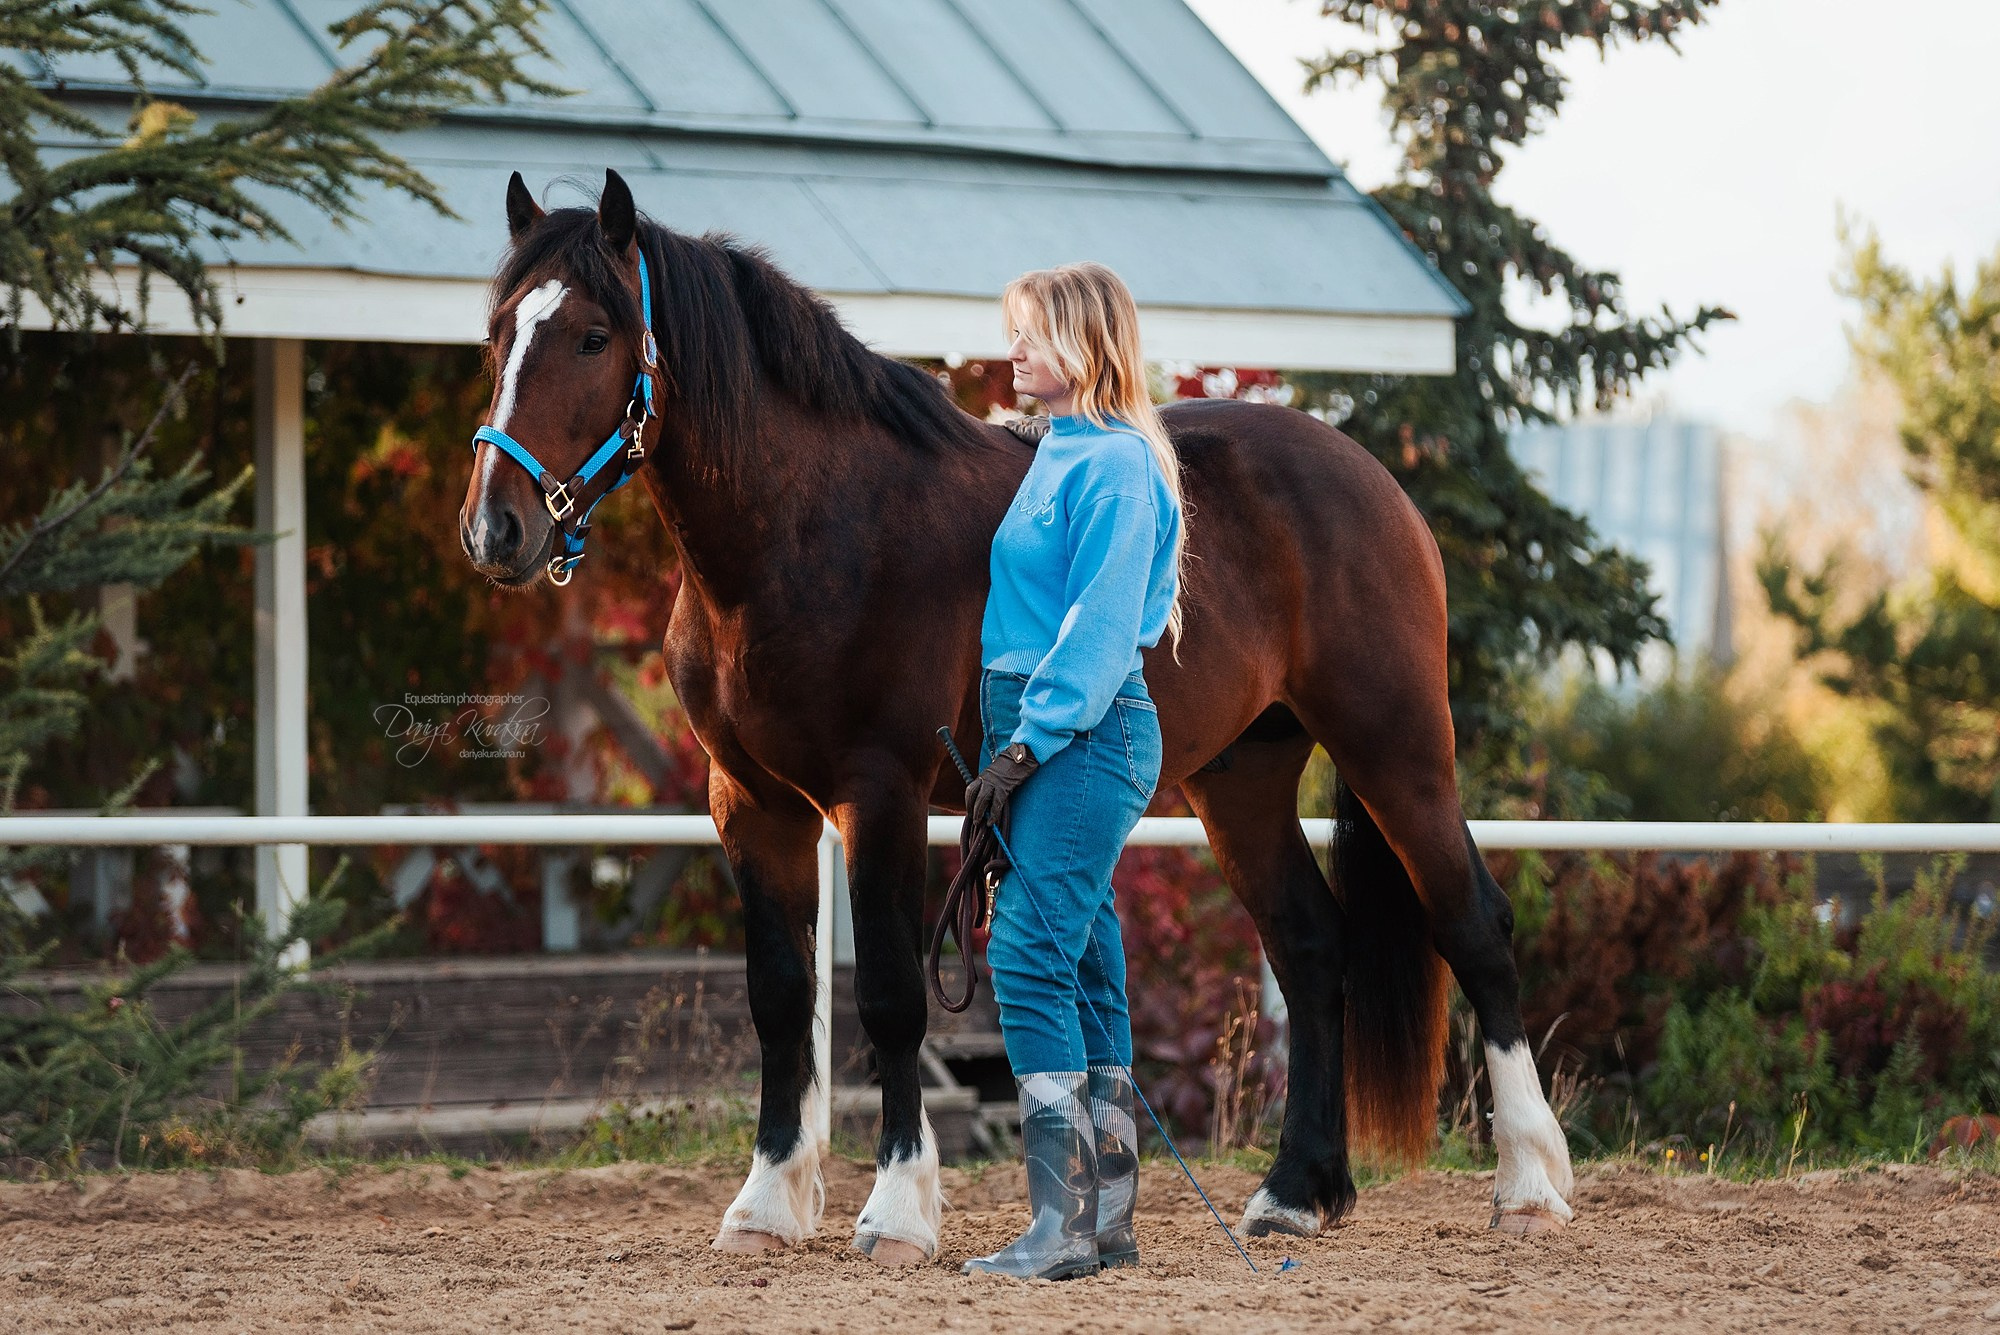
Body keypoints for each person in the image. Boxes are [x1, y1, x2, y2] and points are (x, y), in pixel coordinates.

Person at [960, 262, 1185, 1281]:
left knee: (1025, 954)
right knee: (1086, 957)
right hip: (1046, 729)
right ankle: (1106, 1222)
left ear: (1085, 344)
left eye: (1031, 336)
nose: (1013, 351)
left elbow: (1097, 634)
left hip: (1081, 735)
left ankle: (1058, 1227)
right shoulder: (1059, 448)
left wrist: (1020, 746)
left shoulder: (1120, 467)